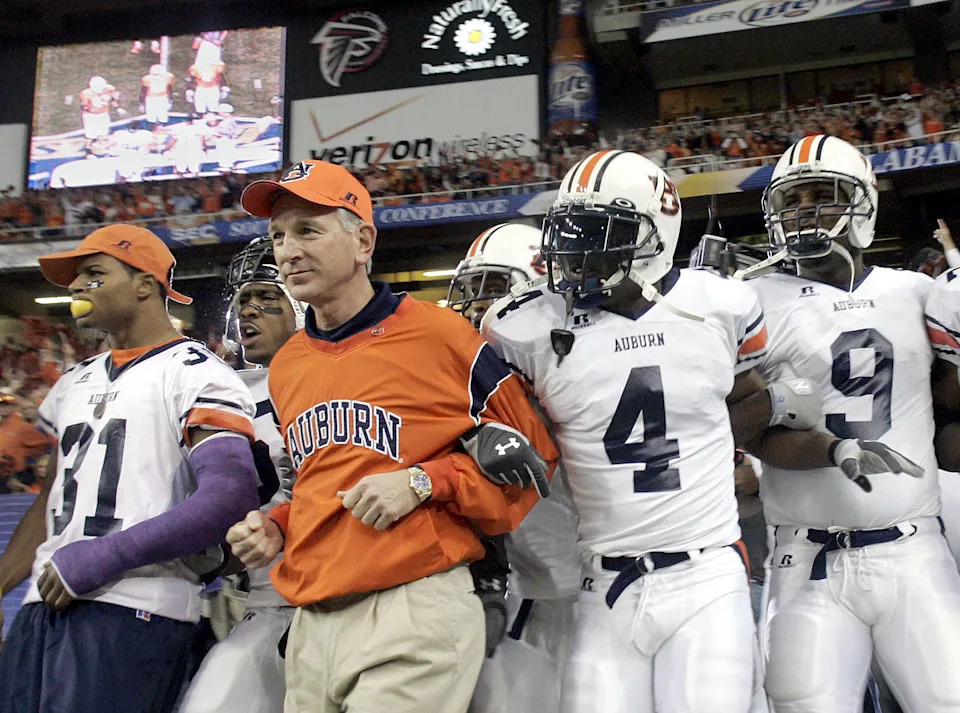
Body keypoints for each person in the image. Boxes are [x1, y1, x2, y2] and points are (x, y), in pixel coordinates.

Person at [481, 149, 844, 713]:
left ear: (657, 233)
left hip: (706, 572)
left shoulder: (718, 306)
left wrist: (785, 417)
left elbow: (740, 415)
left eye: (600, 233)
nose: (578, 251)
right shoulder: (528, 326)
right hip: (601, 582)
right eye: (571, 231)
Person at [226, 160, 561, 713]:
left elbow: (531, 459)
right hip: (313, 620)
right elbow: (324, 482)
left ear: (362, 241)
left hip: (414, 606)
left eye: (308, 230)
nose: (287, 249)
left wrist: (427, 480)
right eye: (278, 235)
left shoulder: (441, 336)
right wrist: (278, 526)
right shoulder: (288, 365)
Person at [0, 224, 260, 713]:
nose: (76, 287)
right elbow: (51, 497)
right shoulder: (72, 381)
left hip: (136, 608)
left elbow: (229, 497)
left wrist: (102, 558)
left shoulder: (195, 371)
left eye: (94, 274)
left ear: (145, 284)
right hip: (45, 605)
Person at [749, 134, 960, 712]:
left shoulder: (918, 293)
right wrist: (824, 445)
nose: (805, 211)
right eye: (794, 199)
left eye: (823, 194)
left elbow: (951, 415)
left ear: (863, 203)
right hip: (805, 557)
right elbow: (747, 432)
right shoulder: (751, 302)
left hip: (913, 547)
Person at [448, 223, 580, 713]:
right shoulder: (468, 381)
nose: (476, 308)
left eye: (495, 290)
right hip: (528, 593)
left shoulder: (569, 365)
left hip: (605, 586)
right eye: (472, 290)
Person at [179, 236, 304, 713]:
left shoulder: (342, 379)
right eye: (244, 299)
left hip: (340, 597)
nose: (248, 311)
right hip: (260, 600)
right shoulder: (222, 389)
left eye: (267, 299)